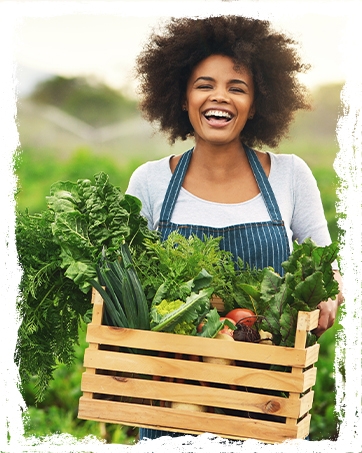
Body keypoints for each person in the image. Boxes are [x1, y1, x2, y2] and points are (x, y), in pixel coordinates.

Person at [126, 15, 343, 441]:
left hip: (265, 399)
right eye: (204, 84)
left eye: (236, 87)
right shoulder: (150, 181)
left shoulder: (290, 175)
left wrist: (331, 294)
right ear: (182, 97)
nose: (218, 97)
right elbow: (131, 289)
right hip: (173, 400)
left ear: (257, 102)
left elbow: (325, 265)